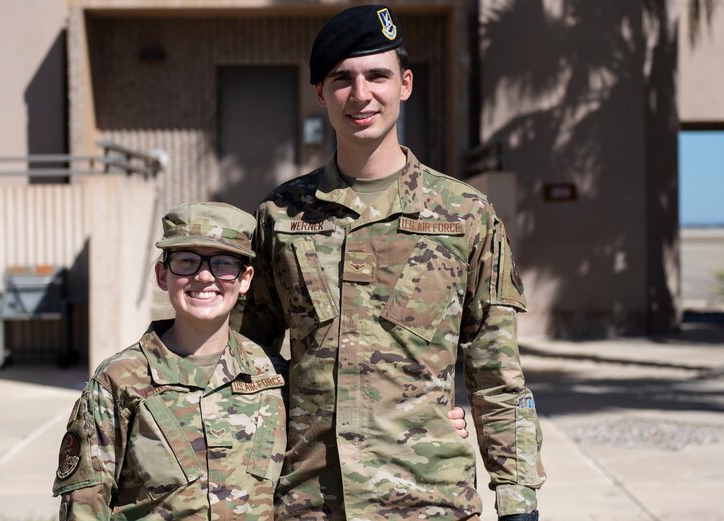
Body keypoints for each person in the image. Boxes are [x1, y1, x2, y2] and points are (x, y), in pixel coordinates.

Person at [241, 4, 546, 521]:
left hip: (430, 499)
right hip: (311, 501)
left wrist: (517, 499)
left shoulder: (465, 214)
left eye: (377, 76)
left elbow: (496, 373)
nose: (361, 95)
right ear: (320, 93)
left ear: (405, 84)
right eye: (342, 79)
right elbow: (248, 359)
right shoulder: (280, 216)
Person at [52, 202, 286, 520]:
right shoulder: (119, 380)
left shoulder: (274, 375)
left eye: (223, 263)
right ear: (163, 275)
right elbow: (84, 508)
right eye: (187, 261)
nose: (204, 276)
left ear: (245, 280)